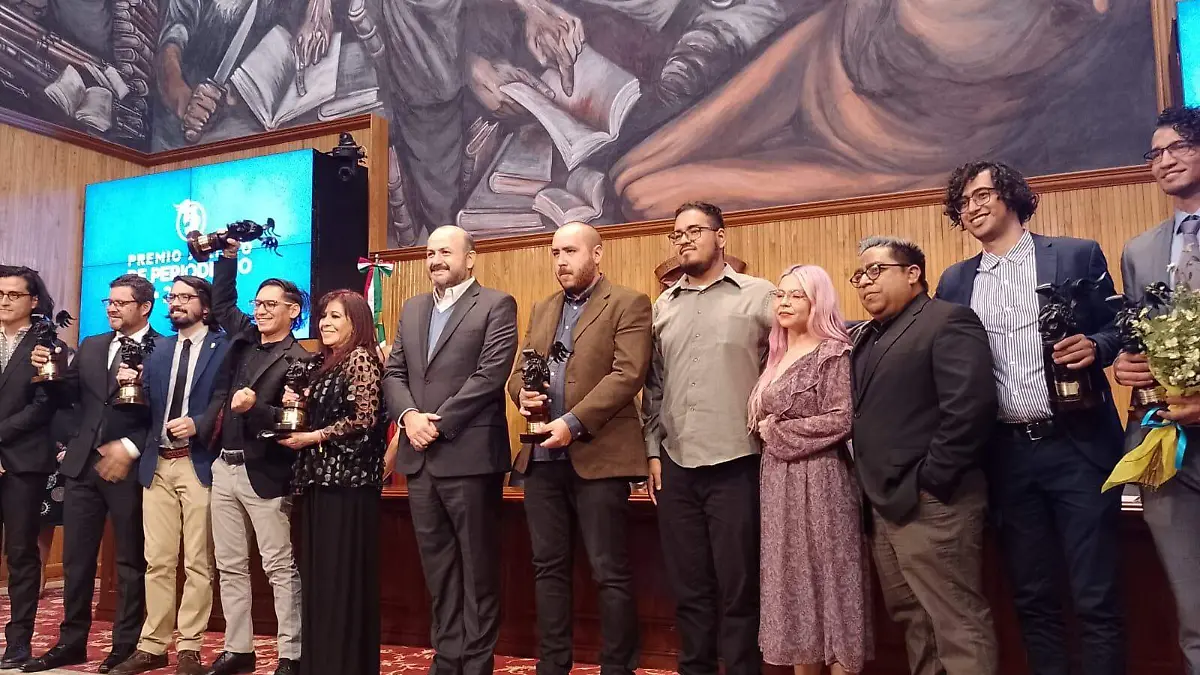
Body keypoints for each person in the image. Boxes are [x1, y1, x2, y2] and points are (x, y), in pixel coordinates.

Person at [935, 161, 1125, 675]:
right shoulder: (956, 281)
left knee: (1096, 594)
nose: (971, 208)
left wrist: (1097, 346)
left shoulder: (1075, 254)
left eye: (981, 195)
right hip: (1006, 454)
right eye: (962, 203)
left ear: (1012, 196)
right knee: (1033, 596)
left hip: (1078, 446)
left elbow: (1118, 328)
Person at [505, 223, 652, 675]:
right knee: (547, 568)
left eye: (570, 251)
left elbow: (628, 375)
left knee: (609, 570)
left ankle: (617, 667)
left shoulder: (628, 302)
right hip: (543, 460)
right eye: (555, 253)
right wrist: (522, 395)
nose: (561, 261)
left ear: (597, 254)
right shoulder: (543, 307)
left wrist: (572, 423)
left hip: (600, 457)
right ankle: (552, 665)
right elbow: (518, 373)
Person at [849, 237, 998, 675]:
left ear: (913, 273)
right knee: (914, 619)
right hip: (882, 503)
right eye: (859, 275)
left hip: (933, 501)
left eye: (876, 270)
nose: (865, 282)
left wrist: (930, 480)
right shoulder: (868, 336)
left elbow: (969, 409)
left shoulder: (947, 321)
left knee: (955, 620)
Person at [641, 201, 773, 675]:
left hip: (739, 460)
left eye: (695, 230)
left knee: (740, 587)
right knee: (689, 587)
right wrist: (652, 452)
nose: (685, 240)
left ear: (721, 236)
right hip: (675, 465)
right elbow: (654, 386)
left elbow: (786, 366)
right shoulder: (663, 306)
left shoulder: (761, 296)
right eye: (677, 234)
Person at [383, 225, 518, 675]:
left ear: (470, 258)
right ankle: (447, 660)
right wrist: (409, 418)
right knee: (437, 568)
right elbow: (394, 373)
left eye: (445, 252)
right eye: (430, 253)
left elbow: (490, 375)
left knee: (478, 569)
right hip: (420, 460)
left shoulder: (496, 304)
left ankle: (476, 665)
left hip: (469, 456)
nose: (436, 260)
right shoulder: (413, 308)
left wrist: (435, 424)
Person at [25, 274, 160, 674]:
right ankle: (72, 643)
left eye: (121, 302)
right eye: (109, 302)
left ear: (145, 307)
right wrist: (47, 368)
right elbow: (69, 398)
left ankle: (125, 645)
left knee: (129, 561)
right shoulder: (92, 344)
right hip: (83, 465)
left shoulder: (163, 349)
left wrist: (130, 446)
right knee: (76, 561)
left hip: (129, 467)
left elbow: (163, 411)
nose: (112, 308)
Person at [747, 264, 871, 675]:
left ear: (817, 301)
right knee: (794, 585)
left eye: (796, 295)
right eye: (780, 294)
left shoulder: (833, 352)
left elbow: (842, 419)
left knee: (831, 581)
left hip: (821, 478)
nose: (784, 302)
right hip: (778, 481)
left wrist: (777, 431)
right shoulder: (776, 354)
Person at [109, 276, 230, 675]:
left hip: (198, 463)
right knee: (157, 561)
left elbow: (224, 400)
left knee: (198, 562)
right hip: (157, 463)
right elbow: (146, 408)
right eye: (172, 296)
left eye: (184, 297)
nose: (175, 303)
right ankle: (153, 645)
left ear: (205, 306)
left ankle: (190, 646)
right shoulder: (159, 349)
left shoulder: (223, 347)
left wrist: (199, 422)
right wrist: (130, 386)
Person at [1117, 105, 1200, 671]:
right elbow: (1137, 335)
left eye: (1180, 146)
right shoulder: (1140, 250)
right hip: (1168, 453)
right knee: (1193, 614)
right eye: (1156, 152)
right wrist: (1126, 364)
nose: (1165, 160)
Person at [203, 240, 309, 675]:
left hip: (265, 471)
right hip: (224, 466)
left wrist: (255, 408)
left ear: (293, 311)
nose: (261, 311)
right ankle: (238, 650)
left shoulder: (301, 359)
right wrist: (227, 258)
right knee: (229, 565)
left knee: (279, 566)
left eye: (270, 304)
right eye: (258, 303)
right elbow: (221, 304)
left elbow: (295, 422)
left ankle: (290, 655)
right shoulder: (244, 338)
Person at [278, 291, 386, 675]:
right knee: (322, 583)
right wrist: (298, 403)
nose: (325, 322)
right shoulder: (327, 363)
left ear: (357, 322)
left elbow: (365, 419)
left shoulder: (360, 358)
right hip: (320, 483)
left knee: (341, 582)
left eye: (336, 316)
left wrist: (314, 436)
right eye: (323, 315)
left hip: (348, 488)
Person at [0, 266, 58, 670]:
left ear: (33, 300)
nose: (4, 301)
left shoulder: (46, 343)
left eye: (13, 294)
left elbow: (44, 406)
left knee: (21, 553)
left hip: (22, 462)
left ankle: (18, 641)